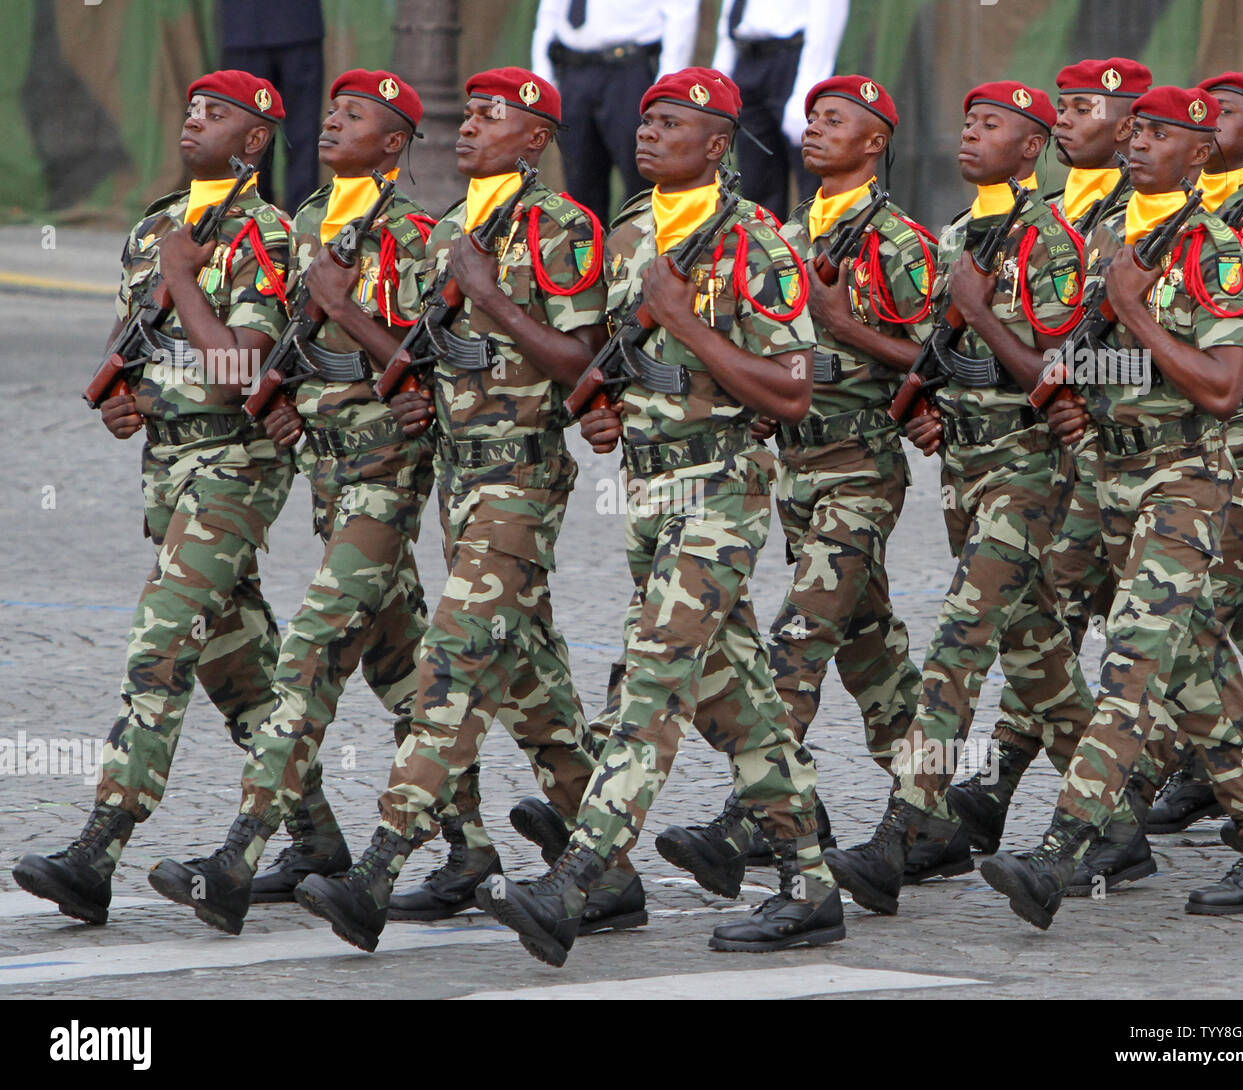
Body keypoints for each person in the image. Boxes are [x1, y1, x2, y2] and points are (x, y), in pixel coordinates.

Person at [479, 66, 845, 967]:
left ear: (716, 147)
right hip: (650, 492)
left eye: (670, 124)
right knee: (742, 697)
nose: (646, 134)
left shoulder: (755, 241)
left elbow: (794, 395)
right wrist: (603, 408)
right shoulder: (633, 229)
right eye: (645, 121)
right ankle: (811, 886)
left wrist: (689, 324)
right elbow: (613, 357)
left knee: (653, 679)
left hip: (720, 490)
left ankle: (582, 877)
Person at [281, 67, 642, 954]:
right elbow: (420, 353)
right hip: (456, 482)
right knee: (532, 683)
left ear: (536, 139)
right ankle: (614, 875)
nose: (470, 125)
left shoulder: (562, 227)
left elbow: (583, 361)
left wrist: (486, 292)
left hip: (519, 480)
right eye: (469, 110)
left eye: (494, 115)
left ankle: (378, 864)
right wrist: (404, 387)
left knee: (454, 657)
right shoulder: (445, 229)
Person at [984, 86, 1243, 927]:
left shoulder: (1217, 251)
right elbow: (1097, 362)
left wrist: (1134, 313)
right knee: (1193, 668)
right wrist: (1071, 392)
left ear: (1200, 153)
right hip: (1111, 481)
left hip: (1189, 486)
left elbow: (1225, 388)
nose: (1137, 142)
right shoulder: (1108, 240)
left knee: (1132, 666)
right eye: (1137, 131)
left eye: (1158, 134)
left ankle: (1062, 852)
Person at [146, 69, 440, 936]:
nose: (331, 124)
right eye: (333, 110)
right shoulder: (303, 224)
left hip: (386, 471)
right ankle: (473, 848)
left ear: (392, 145)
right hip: (325, 472)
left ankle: (237, 855)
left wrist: (350, 314)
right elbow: (272, 351)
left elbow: (430, 366)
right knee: (402, 668)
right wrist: (271, 397)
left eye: (355, 117)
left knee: (307, 654)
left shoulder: (416, 234)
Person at [12, 71, 294, 927]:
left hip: (233, 473)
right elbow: (130, 334)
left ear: (254, 141)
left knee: (160, 647)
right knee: (239, 669)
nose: (194, 118)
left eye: (218, 113)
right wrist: (118, 397)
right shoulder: (154, 227)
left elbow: (243, 365)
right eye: (192, 106)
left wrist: (187, 277)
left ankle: (100, 844)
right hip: (168, 476)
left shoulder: (267, 234)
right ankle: (318, 834)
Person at [655, 75, 942, 880]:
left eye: (836, 119)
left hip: (859, 470)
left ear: (875, 142)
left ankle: (751, 821)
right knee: (873, 655)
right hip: (794, 470)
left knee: (797, 638)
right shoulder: (778, 235)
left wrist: (848, 326)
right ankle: (937, 809)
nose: (814, 129)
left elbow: (935, 360)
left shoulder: (900, 242)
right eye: (811, 117)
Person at [823, 81, 1096, 917]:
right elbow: (934, 354)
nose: (971, 134)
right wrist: (928, 407)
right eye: (969, 121)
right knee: (1039, 658)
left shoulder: (1051, 241)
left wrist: (977, 308)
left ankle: (905, 830)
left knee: (957, 649)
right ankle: (1118, 810)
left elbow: (1056, 376)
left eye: (994, 127)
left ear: (1032, 148)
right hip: (968, 471)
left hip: (1027, 473)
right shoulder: (956, 232)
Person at [1090, 71, 1243, 872]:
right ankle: (1225, 782)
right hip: (1171, 445)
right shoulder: (1145, 219)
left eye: (1233, 115)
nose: (1215, 124)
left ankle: (1126, 804)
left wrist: (1230, 322)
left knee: (1185, 616)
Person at [945, 58, 1151, 866]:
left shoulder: (1154, 218)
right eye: (1058, 107)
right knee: (1048, 629)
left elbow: (1150, 358)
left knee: (1186, 641)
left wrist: (1072, 380)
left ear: (1132, 127)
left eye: (1083, 108)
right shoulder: (1047, 217)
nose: (1066, 120)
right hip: (1066, 468)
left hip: (1151, 462)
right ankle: (995, 796)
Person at [531, 0, 700, 228]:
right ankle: (588, 260)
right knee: (580, 185)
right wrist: (543, 82)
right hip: (572, 71)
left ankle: (642, 258)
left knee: (642, 179)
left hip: (630, 72)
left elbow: (680, 13)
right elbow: (549, 12)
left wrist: (666, 88)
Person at [711, 0, 848, 220]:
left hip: (796, 60)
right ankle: (765, 252)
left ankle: (819, 251)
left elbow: (829, 11)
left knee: (814, 183)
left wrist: (809, 87)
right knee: (757, 181)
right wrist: (722, 72)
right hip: (747, 57)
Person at [219, 0, 324, 211]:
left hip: (287, 25)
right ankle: (253, 221)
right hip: (252, 27)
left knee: (301, 136)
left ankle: (298, 224)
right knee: (244, 137)